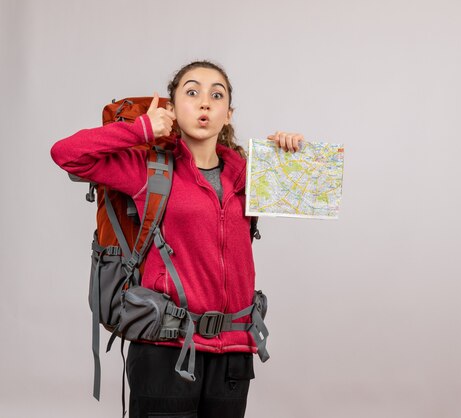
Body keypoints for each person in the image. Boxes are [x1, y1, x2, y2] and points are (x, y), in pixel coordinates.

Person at [50, 60, 304, 418]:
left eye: (217, 95)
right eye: (192, 92)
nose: (205, 102)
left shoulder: (249, 174)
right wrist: (141, 129)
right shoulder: (149, 168)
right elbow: (66, 154)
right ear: (171, 109)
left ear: (227, 114)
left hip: (234, 351)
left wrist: (289, 154)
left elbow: (315, 192)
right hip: (165, 350)